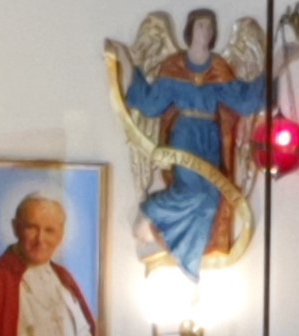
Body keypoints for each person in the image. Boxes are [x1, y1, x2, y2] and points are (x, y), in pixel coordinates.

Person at [109, 9, 269, 279]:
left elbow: (243, 100)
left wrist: (279, 64)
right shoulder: (175, 67)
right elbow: (152, 103)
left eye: (209, 27)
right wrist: (126, 61)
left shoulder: (218, 68)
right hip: (185, 134)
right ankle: (148, 213)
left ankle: (189, 258)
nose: (206, 31)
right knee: (191, 190)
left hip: (210, 138)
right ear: (190, 30)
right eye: (201, 26)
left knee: (211, 198)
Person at [0, 193, 97, 336]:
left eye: (50, 230)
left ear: (61, 234)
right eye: (31, 228)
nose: (40, 240)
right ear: (16, 228)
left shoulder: (64, 278)